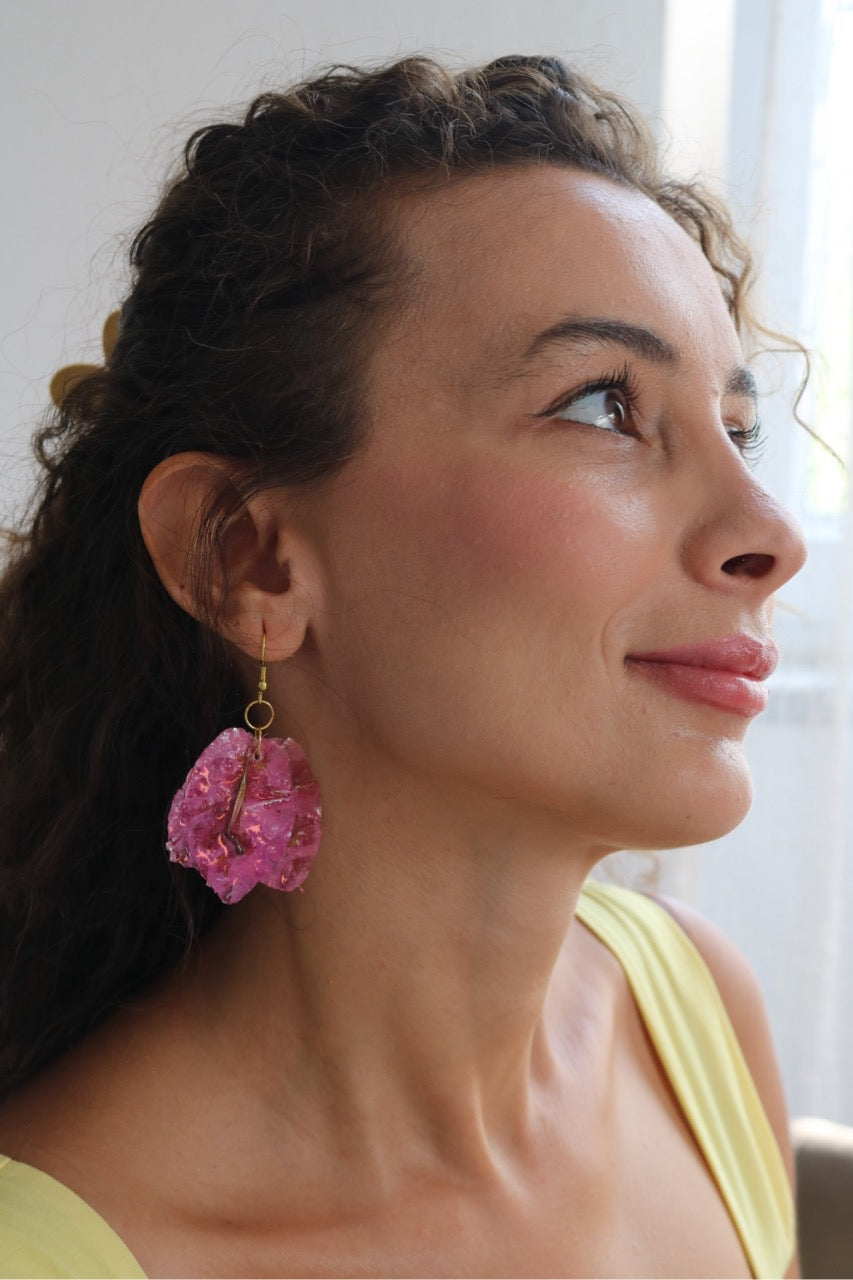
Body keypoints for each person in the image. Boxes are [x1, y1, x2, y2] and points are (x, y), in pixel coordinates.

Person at [0, 53, 806, 1278]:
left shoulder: (692, 1009)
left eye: (738, 430)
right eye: (600, 404)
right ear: (250, 559)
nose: (770, 534)